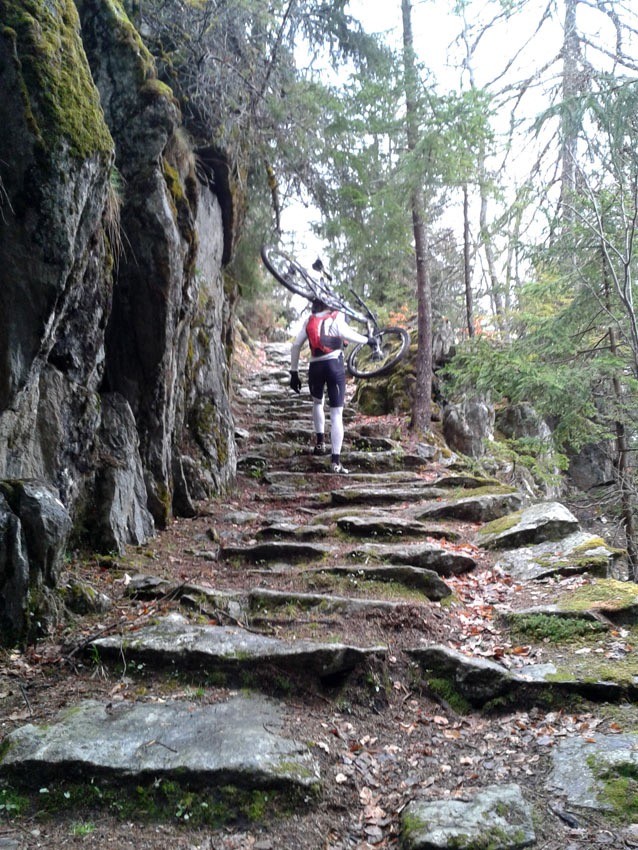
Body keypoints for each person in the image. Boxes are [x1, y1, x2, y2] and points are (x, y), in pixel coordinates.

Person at [289, 298, 373, 474]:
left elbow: (296, 345)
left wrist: (294, 372)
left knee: (317, 403)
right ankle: (335, 462)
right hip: (334, 365)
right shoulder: (336, 317)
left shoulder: (309, 320)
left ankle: (320, 443)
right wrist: (367, 341)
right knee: (336, 413)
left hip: (315, 367)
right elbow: (349, 335)